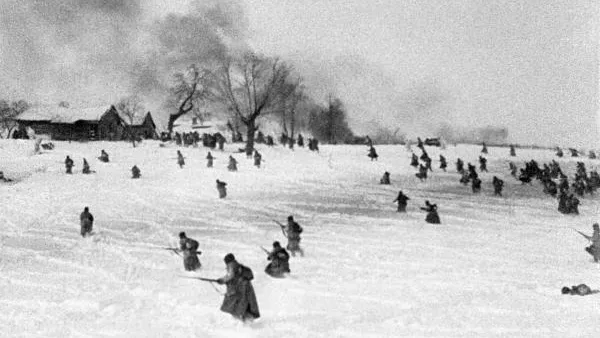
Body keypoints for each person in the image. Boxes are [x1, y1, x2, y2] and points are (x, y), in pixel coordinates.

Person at [216, 253, 260, 322]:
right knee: (246, 305)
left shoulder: (232, 265)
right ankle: (248, 322)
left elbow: (231, 276)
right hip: (246, 288)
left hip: (240, 290)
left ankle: (242, 324)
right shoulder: (238, 265)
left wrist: (222, 280)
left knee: (235, 306)